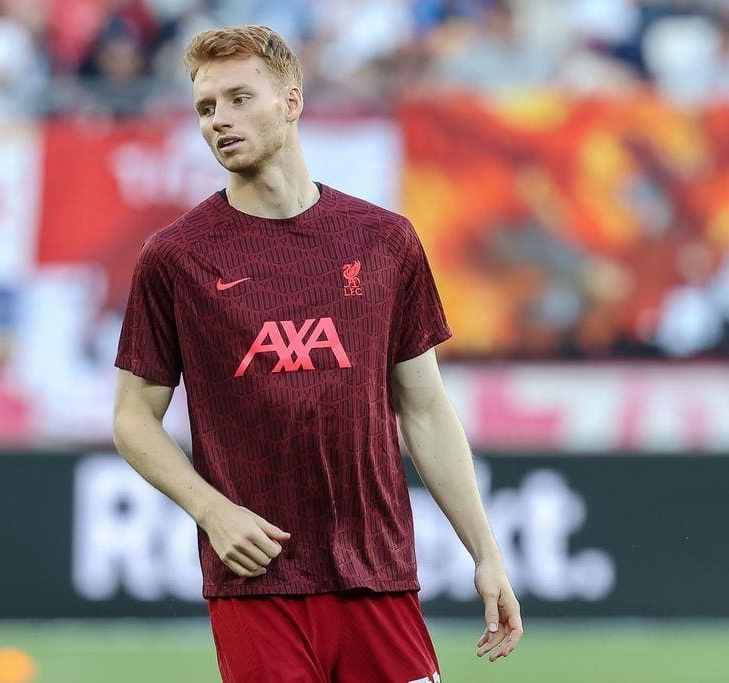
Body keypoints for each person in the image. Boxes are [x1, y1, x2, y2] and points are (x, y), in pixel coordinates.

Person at [112, 24, 522, 682]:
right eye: (206, 108)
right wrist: (212, 511)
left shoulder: (385, 239)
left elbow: (424, 408)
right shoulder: (175, 257)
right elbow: (133, 417)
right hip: (257, 587)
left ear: (292, 101)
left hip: (378, 578)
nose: (219, 120)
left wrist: (486, 551)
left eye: (239, 98)